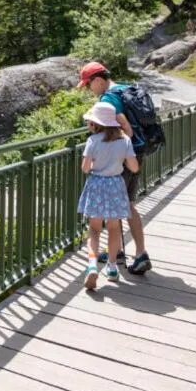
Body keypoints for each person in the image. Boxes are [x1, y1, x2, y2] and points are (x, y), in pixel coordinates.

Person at [77, 61, 152, 275]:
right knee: (123, 203)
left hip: (122, 155)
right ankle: (118, 251)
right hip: (134, 151)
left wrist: (120, 143)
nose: (90, 90)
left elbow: (122, 123)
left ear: (98, 80)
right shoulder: (125, 88)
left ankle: (139, 253)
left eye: (89, 85)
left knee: (125, 204)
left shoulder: (109, 98)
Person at [78, 101, 139, 290]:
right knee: (113, 228)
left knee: (94, 229)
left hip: (96, 184)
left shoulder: (92, 141)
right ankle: (112, 267)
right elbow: (134, 167)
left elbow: (86, 168)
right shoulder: (125, 140)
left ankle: (91, 265)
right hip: (115, 184)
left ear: (96, 124)